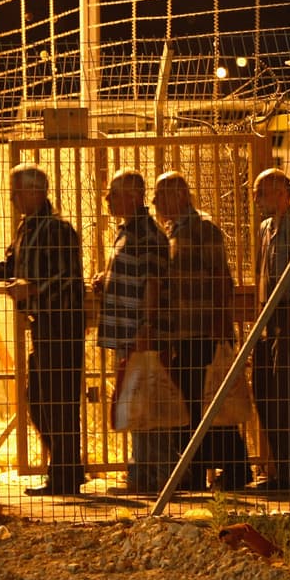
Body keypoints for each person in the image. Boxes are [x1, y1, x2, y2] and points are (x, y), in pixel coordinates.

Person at [0, 164, 85, 496]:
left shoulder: (58, 230)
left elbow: (70, 278)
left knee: (58, 401)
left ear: (37, 191)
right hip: (42, 326)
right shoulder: (28, 230)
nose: (12, 198)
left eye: (17, 191)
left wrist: (33, 289)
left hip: (62, 324)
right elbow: (12, 269)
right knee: (40, 399)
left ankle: (65, 476)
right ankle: (66, 469)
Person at [152, 171, 252, 491]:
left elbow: (221, 276)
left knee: (206, 403)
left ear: (180, 196)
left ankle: (227, 469)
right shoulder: (174, 232)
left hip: (202, 332)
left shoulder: (202, 229)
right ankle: (205, 469)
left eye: (161, 194)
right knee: (195, 403)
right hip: (184, 332)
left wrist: (220, 324)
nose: (155, 202)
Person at [94, 169, 172, 494]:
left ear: (133, 195)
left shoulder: (145, 234)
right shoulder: (127, 231)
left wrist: (147, 324)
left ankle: (154, 476)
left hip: (139, 332)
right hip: (128, 332)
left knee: (146, 404)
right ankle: (142, 472)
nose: (107, 198)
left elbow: (153, 281)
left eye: (113, 192)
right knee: (137, 402)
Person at [250, 168, 290, 491]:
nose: (256, 198)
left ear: (280, 193)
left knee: (284, 393)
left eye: (261, 191)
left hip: (287, 314)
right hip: (267, 316)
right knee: (263, 391)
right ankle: (279, 465)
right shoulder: (265, 229)